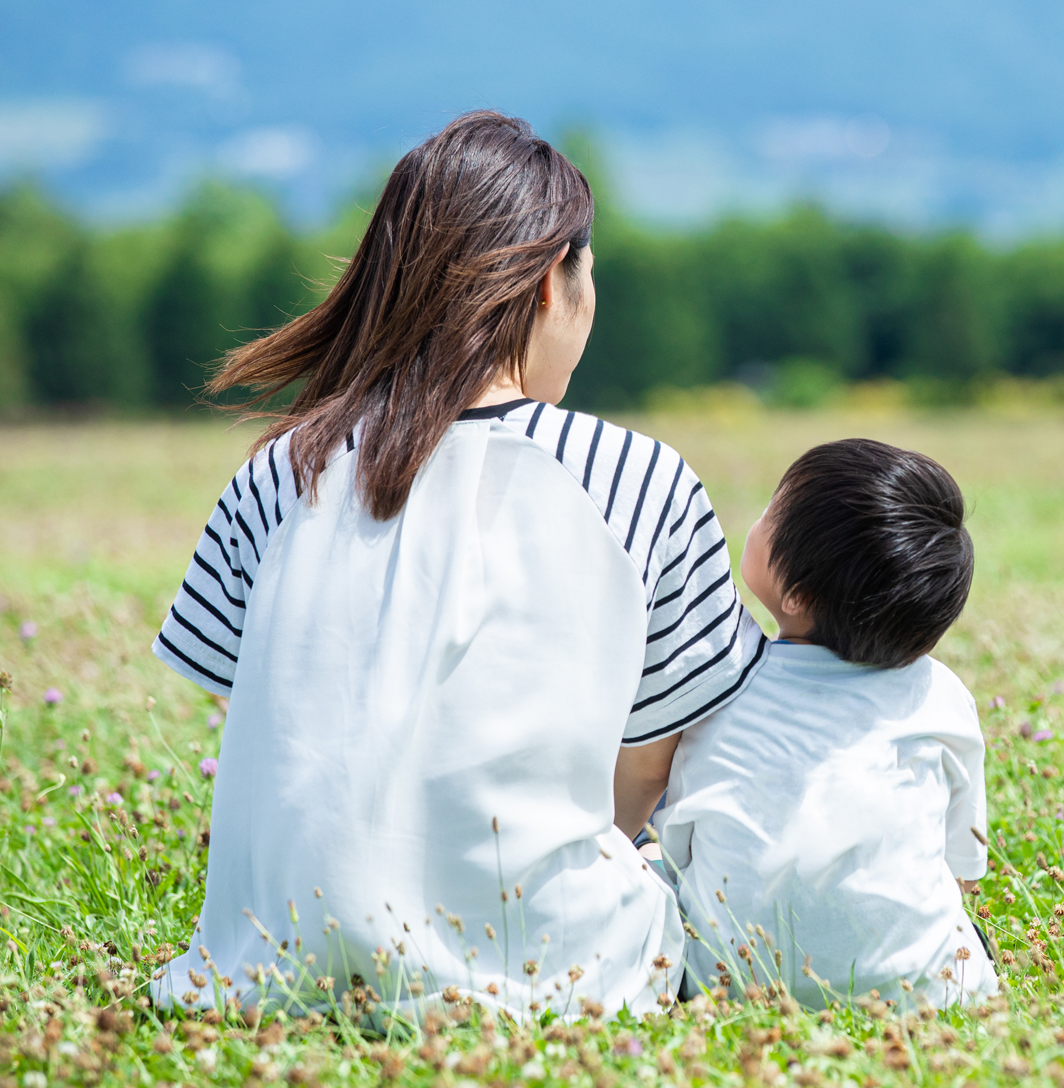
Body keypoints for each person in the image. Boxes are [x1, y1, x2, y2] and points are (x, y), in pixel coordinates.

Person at [148, 111, 766, 1019]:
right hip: (553, 971)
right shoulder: (642, 479)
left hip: (271, 963)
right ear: (554, 282)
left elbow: (271, 722)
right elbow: (649, 770)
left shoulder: (279, 472)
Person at [655, 438, 994, 1009]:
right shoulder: (939, 695)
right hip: (919, 991)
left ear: (795, 594)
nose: (758, 515)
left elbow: (679, 843)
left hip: (727, 982)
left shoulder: (719, 681)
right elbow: (962, 866)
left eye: (771, 509)